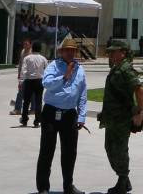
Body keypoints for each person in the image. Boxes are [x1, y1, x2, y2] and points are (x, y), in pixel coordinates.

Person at [37, 36, 88, 194]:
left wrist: (81, 116)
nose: (70, 53)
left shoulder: (80, 70)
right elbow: (46, 83)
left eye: (73, 51)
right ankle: (43, 187)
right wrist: (64, 76)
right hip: (51, 113)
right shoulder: (53, 66)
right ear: (61, 52)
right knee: (47, 150)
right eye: (67, 50)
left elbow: (82, 94)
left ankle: (68, 186)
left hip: (69, 115)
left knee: (70, 152)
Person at [99, 40, 143, 194]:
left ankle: (123, 180)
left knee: (119, 150)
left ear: (123, 52)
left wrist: (139, 111)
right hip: (112, 117)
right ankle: (124, 178)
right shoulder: (116, 68)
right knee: (109, 148)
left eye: (114, 52)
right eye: (110, 52)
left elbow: (138, 89)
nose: (111, 54)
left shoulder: (126, 69)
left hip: (122, 119)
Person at [21, 41, 49, 127]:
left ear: (32, 48)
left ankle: (24, 120)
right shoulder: (43, 59)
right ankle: (37, 121)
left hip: (29, 81)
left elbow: (23, 70)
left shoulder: (27, 58)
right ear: (40, 49)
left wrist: (22, 80)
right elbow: (47, 70)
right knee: (38, 101)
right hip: (39, 81)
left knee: (26, 101)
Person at [13, 38, 32, 115]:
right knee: (20, 92)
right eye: (24, 44)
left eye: (26, 44)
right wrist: (19, 73)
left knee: (32, 93)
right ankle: (18, 109)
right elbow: (20, 63)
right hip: (23, 75)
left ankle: (33, 109)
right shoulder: (23, 51)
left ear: (30, 45)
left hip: (30, 76)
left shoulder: (32, 53)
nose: (24, 46)